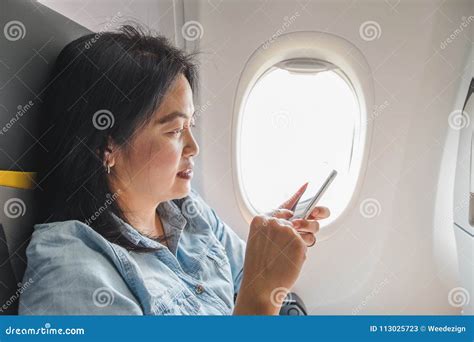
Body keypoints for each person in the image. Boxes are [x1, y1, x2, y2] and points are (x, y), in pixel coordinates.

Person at [19, 25, 329, 315]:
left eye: (190, 125)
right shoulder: (72, 272)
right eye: (174, 130)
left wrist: (271, 240)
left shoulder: (188, 210)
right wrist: (262, 295)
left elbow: (246, 275)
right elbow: (255, 290)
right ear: (107, 147)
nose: (194, 147)